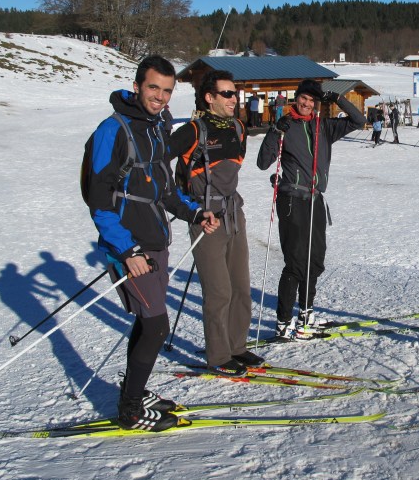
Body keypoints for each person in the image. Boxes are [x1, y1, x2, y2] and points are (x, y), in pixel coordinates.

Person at [84, 55, 220, 432]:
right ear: (137, 85)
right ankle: (130, 411)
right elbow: (99, 200)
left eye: (166, 90)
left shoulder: (156, 129)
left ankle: (134, 388)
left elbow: (165, 190)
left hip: (155, 242)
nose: (160, 96)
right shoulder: (113, 130)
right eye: (153, 88)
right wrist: (127, 251)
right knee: (157, 325)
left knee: (147, 324)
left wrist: (195, 213)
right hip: (132, 248)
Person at [256, 79, 366, 338]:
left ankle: (306, 314)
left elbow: (359, 120)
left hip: (316, 200)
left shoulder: (323, 126)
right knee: (295, 262)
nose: (305, 104)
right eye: (302, 99)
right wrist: (275, 131)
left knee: (314, 260)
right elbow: (263, 163)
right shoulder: (286, 126)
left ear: (316, 104)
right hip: (292, 200)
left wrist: (337, 98)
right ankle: (283, 323)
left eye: (311, 101)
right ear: (296, 99)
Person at [170, 70, 262, 375]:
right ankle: (219, 355)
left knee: (241, 289)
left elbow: (232, 170)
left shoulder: (238, 128)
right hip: (206, 220)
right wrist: (189, 208)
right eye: (227, 94)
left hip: (235, 215)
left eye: (234, 93)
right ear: (209, 97)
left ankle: (237, 347)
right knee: (219, 292)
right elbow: (157, 161)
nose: (234, 99)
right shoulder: (193, 131)